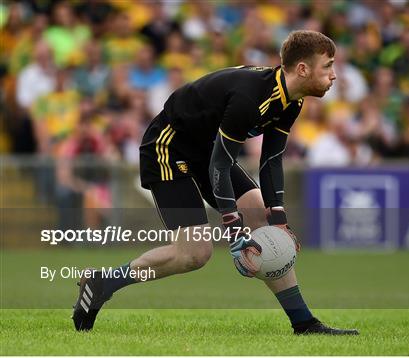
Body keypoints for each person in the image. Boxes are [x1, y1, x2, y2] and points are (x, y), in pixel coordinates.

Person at [72, 30, 358, 335]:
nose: (334, 75)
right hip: (168, 146)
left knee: (261, 214)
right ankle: (103, 282)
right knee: (195, 254)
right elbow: (221, 163)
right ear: (303, 69)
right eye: (328, 66)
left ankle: (303, 322)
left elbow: (271, 160)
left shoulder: (291, 101)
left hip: (206, 149)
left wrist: (279, 219)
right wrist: (234, 230)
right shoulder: (251, 98)